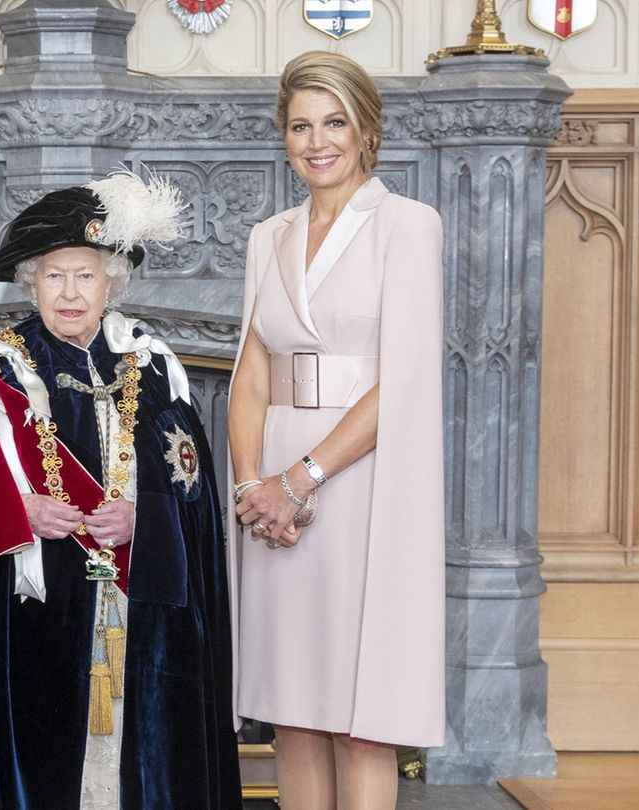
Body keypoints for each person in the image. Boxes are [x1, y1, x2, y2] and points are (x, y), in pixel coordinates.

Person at [0, 173, 243, 810]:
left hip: (137, 608)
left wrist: (147, 516)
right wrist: (20, 509)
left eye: (86, 275)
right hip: (31, 612)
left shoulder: (152, 361)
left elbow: (193, 484)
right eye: (54, 275)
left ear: (111, 280)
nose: (69, 292)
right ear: (31, 280)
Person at [227, 51, 445, 809]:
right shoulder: (269, 236)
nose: (316, 141)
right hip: (276, 487)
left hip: (360, 482)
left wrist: (301, 479)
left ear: (367, 131)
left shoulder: (407, 225)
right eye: (299, 125)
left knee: (361, 720)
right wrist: (254, 483)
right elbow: (252, 371)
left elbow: (407, 380)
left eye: (334, 123)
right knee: (293, 715)